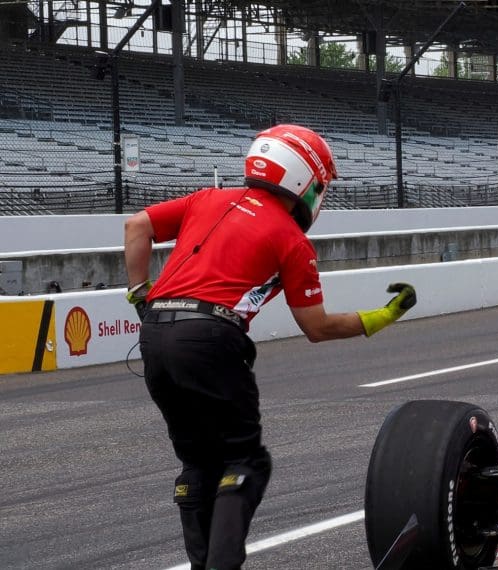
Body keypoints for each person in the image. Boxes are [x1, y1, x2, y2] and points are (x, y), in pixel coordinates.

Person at [122, 124, 416, 570]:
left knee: (197, 463)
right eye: (319, 187)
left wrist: (140, 293)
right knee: (245, 462)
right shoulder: (292, 240)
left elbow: (137, 225)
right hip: (212, 336)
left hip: (156, 332)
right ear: (303, 181)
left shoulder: (207, 199)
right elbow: (316, 327)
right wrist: (384, 316)